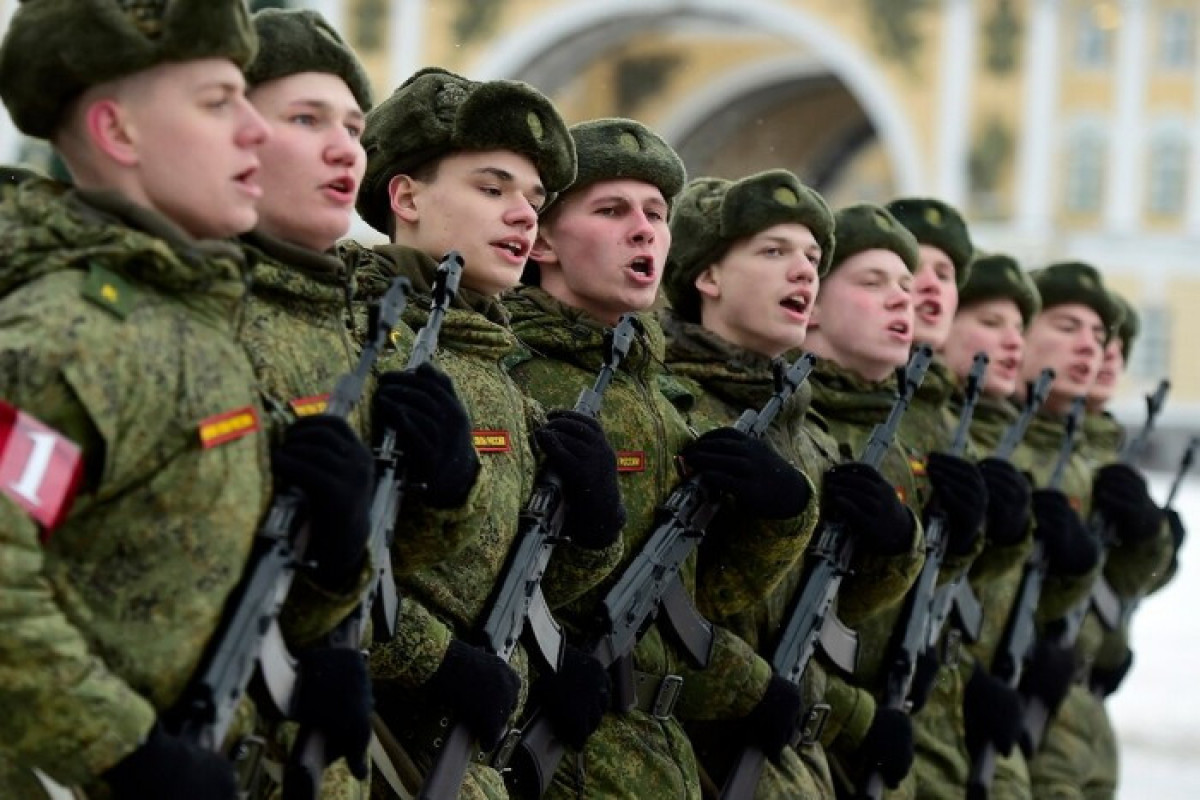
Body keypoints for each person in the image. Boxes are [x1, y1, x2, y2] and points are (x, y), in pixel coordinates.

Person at [0, 2, 365, 798]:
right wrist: (125, 751)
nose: (255, 130)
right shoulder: (67, 340)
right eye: (217, 102)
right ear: (118, 131)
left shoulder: (192, 327)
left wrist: (334, 561)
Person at [503, 121, 820, 800]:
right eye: (612, 210)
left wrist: (781, 516)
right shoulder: (514, 375)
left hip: (657, 754)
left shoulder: (665, 402)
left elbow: (699, 599)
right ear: (542, 240)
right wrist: (539, 660)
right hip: (556, 756)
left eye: (655, 213)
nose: (644, 230)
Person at [342, 68, 626, 800]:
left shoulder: (498, 370)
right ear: (406, 197)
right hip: (365, 747)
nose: (524, 215)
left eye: (534, 199)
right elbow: (315, 554)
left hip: (465, 761)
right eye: (493, 189)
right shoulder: (361, 340)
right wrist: (432, 658)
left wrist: (594, 525)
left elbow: (510, 578)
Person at [660, 170, 941, 800]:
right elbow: (660, 612)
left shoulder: (809, 436)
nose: (803, 272)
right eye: (774, 251)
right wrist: (752, 689)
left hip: (793, 768)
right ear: (708, 276)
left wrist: (897, 546)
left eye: (813, 258)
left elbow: (823, 617)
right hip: (694, 756)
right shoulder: (674, 408)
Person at [239, 9, 397, 798]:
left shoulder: (369, 333)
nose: (345, 150)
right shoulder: (183, 321)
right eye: (307, 119)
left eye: (354, 128)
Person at [780, 203, 932, 799]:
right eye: (873, 283)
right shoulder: (790, 422)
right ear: (812, 304)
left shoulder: (897, 437)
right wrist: (859, 714)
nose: (902, 301)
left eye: (906, 287)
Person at [1032, 290, 1175, 800]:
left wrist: (1153, 542)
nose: (1106, 356)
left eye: (1114, 345)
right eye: (1096, 340)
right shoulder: (1042, 449)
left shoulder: (1102, 452)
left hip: (1084, 705)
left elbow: (1122, 587)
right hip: (1033, 706)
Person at [941, 252, 1043, 800]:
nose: (1012, 343)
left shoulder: (1006, 447)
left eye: (1019, 329)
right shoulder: (935, 436)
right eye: (990, 322)